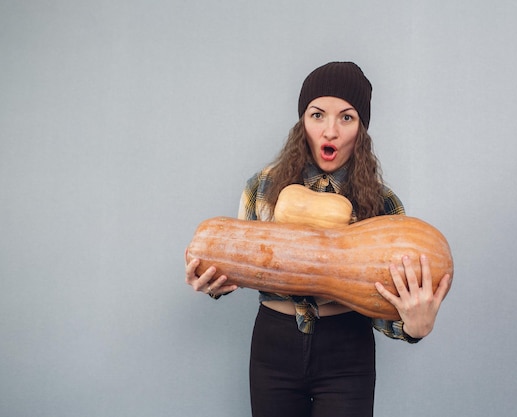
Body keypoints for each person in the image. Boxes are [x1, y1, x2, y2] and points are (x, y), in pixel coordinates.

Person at [185, 61, 452, 417]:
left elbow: (389, 302)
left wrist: (414, 328)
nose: (330, 130)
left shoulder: (383, 204)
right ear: (302, 123)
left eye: (346, 117)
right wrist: (211, 281)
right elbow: (238, 262)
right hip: (273, 348)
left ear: (361, 129)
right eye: (317, 115)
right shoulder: (262, 187)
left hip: (347, 349)